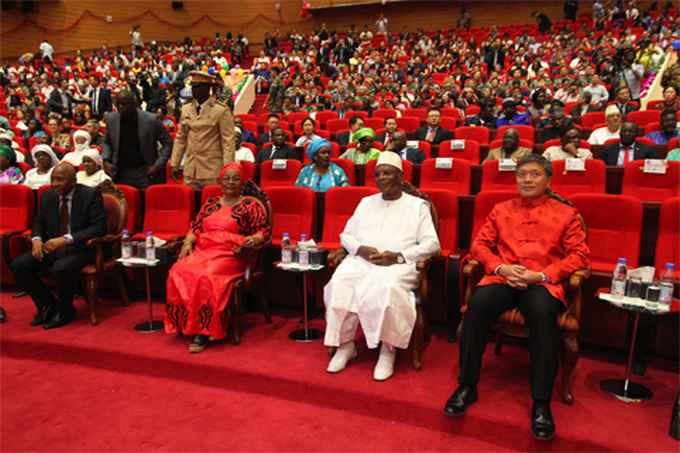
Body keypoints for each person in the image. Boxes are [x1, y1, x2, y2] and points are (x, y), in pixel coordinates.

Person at [444, 154, 590, 441]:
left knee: (542, 314)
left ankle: (541, 402)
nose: (526, 180)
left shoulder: (566, 213)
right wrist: (500, 267)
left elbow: (580, 255)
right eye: (522, 175)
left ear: (548, 179)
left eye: (534, 174)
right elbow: (480, 245)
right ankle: (467, 385)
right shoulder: (501, 210)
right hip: (504, 276)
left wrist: (543, 275)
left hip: (541, 281)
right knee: (478, 305)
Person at [324, 151, 440, 380]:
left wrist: (397, 256)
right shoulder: (366, 203)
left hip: (399, 265)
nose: (382, 177)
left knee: (386, 288)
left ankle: (388, 350)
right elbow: (346, 235)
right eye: (378, 174)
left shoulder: (418, 206)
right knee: (340, 283)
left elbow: (432, 244)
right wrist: (360, 250)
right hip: (362, 261)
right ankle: (346, 345)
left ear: (400, 176)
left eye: (387, 173)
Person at [165, 163, 271, 353]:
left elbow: (263, 232)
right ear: (219, 181)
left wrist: (250, 240)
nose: (231, 182)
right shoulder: (211, 203)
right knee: (178, 270)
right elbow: (196, 227)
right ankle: (186, 323)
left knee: (206, 276)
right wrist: (188, 243)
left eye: (236, 178)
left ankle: (204, 331)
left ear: (242, 182)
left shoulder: (250, 205)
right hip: (203, 250)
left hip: (232, 254)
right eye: (227, 178)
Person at [10, 163, 105, 329]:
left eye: (60, 180)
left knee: (60, 267)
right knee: (19, 265)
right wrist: (37, 239)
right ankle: (47, 305)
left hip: (82, 248)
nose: (55, 184)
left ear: (73, 180)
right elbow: (38, 221)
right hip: (52, 246)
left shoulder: (90, 195)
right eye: (53, 179)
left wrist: (66, 239)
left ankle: (65, 310)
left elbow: (98, 228)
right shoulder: (48, 196)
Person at [170, 71, 235, 189]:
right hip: (190, 169)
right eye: (192, 87)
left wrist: (228, 169)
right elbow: (181, 138)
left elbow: (228, 142)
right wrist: (175, 163)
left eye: (197, 87)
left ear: (207, 88)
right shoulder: (186, 109)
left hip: (212, 170)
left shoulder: (220, 110)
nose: (193, 90)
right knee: (190, 204)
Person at [102, 89, 172, 189]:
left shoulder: (151, 120)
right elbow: (106, 142)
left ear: (134, 104)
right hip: (120, 172)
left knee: (145, 203)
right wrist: (106, 160)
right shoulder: (112, 119)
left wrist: (157, 165)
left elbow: (168, 143)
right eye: (118, 104)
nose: (121, 107)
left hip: (145, 172)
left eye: (124, 104)